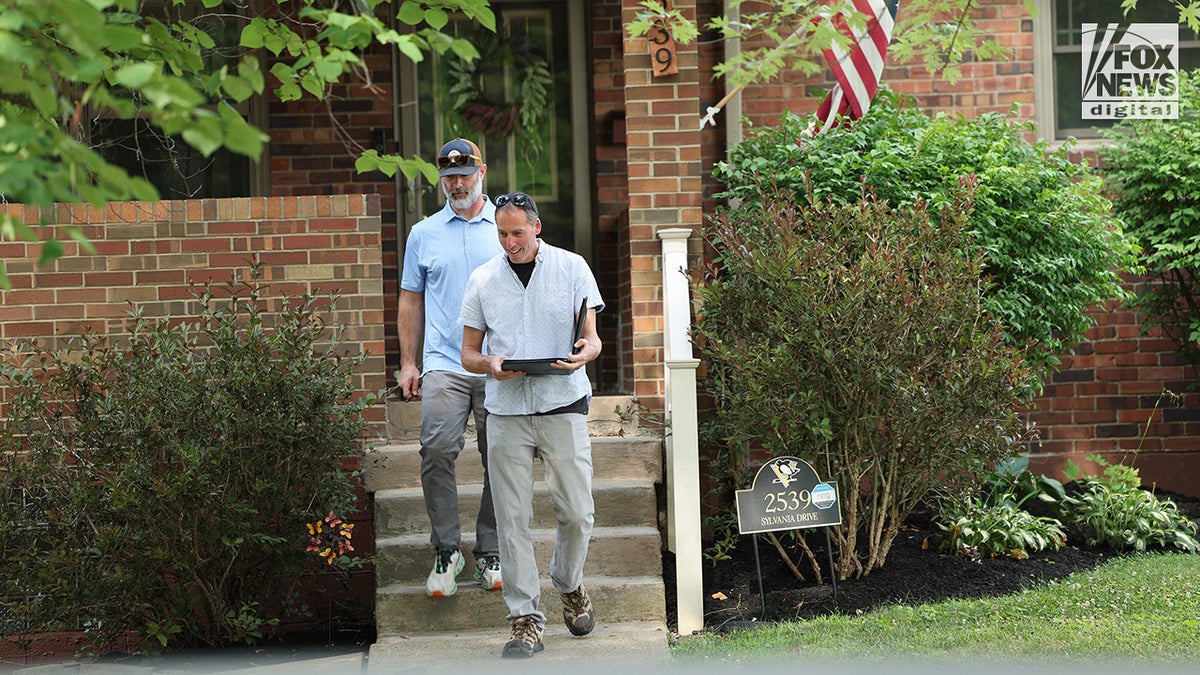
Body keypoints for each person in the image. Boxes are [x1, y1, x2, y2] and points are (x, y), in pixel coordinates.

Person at [459, 192, 603, 659]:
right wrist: (491, 364)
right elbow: (469, 354)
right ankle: (525, 620)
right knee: (511, 519)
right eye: (502, 234)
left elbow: (592, 339)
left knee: (578, 512)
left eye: (517, 232)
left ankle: (569, 582)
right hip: (505, 411)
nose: (509, 242)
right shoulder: (482, 279)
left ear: (536, 227)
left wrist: (585, 353)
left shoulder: (574, 268)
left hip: (563, 401)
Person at [398, 138, 504, 598]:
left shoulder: (506, 224)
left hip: (499, 364)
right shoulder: (423, 233)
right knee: (437, 449)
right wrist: (407, 362)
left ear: (483, 171)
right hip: (444, 362)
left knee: (500, 457)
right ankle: (447, 549)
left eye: (465, 175)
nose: (457, 183)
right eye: (449, 177)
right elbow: (410, 299)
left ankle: (491, 549)